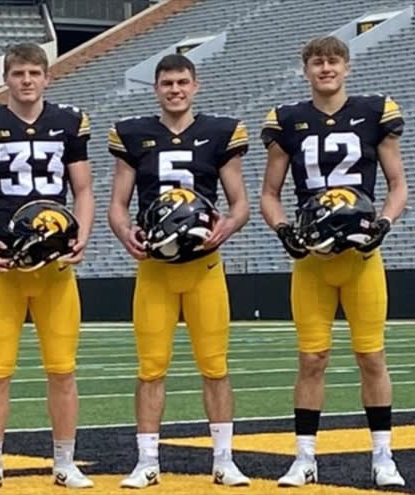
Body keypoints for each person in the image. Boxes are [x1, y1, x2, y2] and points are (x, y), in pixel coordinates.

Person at [260, 35, 408, 488]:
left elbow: (398, 184)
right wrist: (284, 230)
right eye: (317, 62)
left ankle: (383, 457)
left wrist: (382, 223)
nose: (326, 69)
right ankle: (305, 457)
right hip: (313, 261)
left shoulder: (373, 112)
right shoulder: (288, 120)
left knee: (371, 356)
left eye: (333, 61)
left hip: (362, 257)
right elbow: (270, 193)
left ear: (347, 67)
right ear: (305, 69)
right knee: (312, 359)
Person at [0, 42, 95, 492]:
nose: (27, 80)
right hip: (7, 266)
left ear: (47, 77)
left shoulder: (68, 122)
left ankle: (65, 462)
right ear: (6, 79)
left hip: (54, 267)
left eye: (35, 72)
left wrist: (83, 235)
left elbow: (85, 190)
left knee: (63, 368)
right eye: (19, 74)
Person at [107, 53, 251, 488]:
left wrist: (227, 226)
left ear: (195, 85)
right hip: (156, 268)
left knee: (215, 365)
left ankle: (224, 460)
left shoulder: (218, 133)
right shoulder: (134, 135)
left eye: (182, 82)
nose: (175, 89)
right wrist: (123, 232)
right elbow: (117, 203)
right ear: (156, 88)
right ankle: (147, 460)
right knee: (151, 367)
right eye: (167, 83)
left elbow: (239, 202)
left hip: (204, 265)